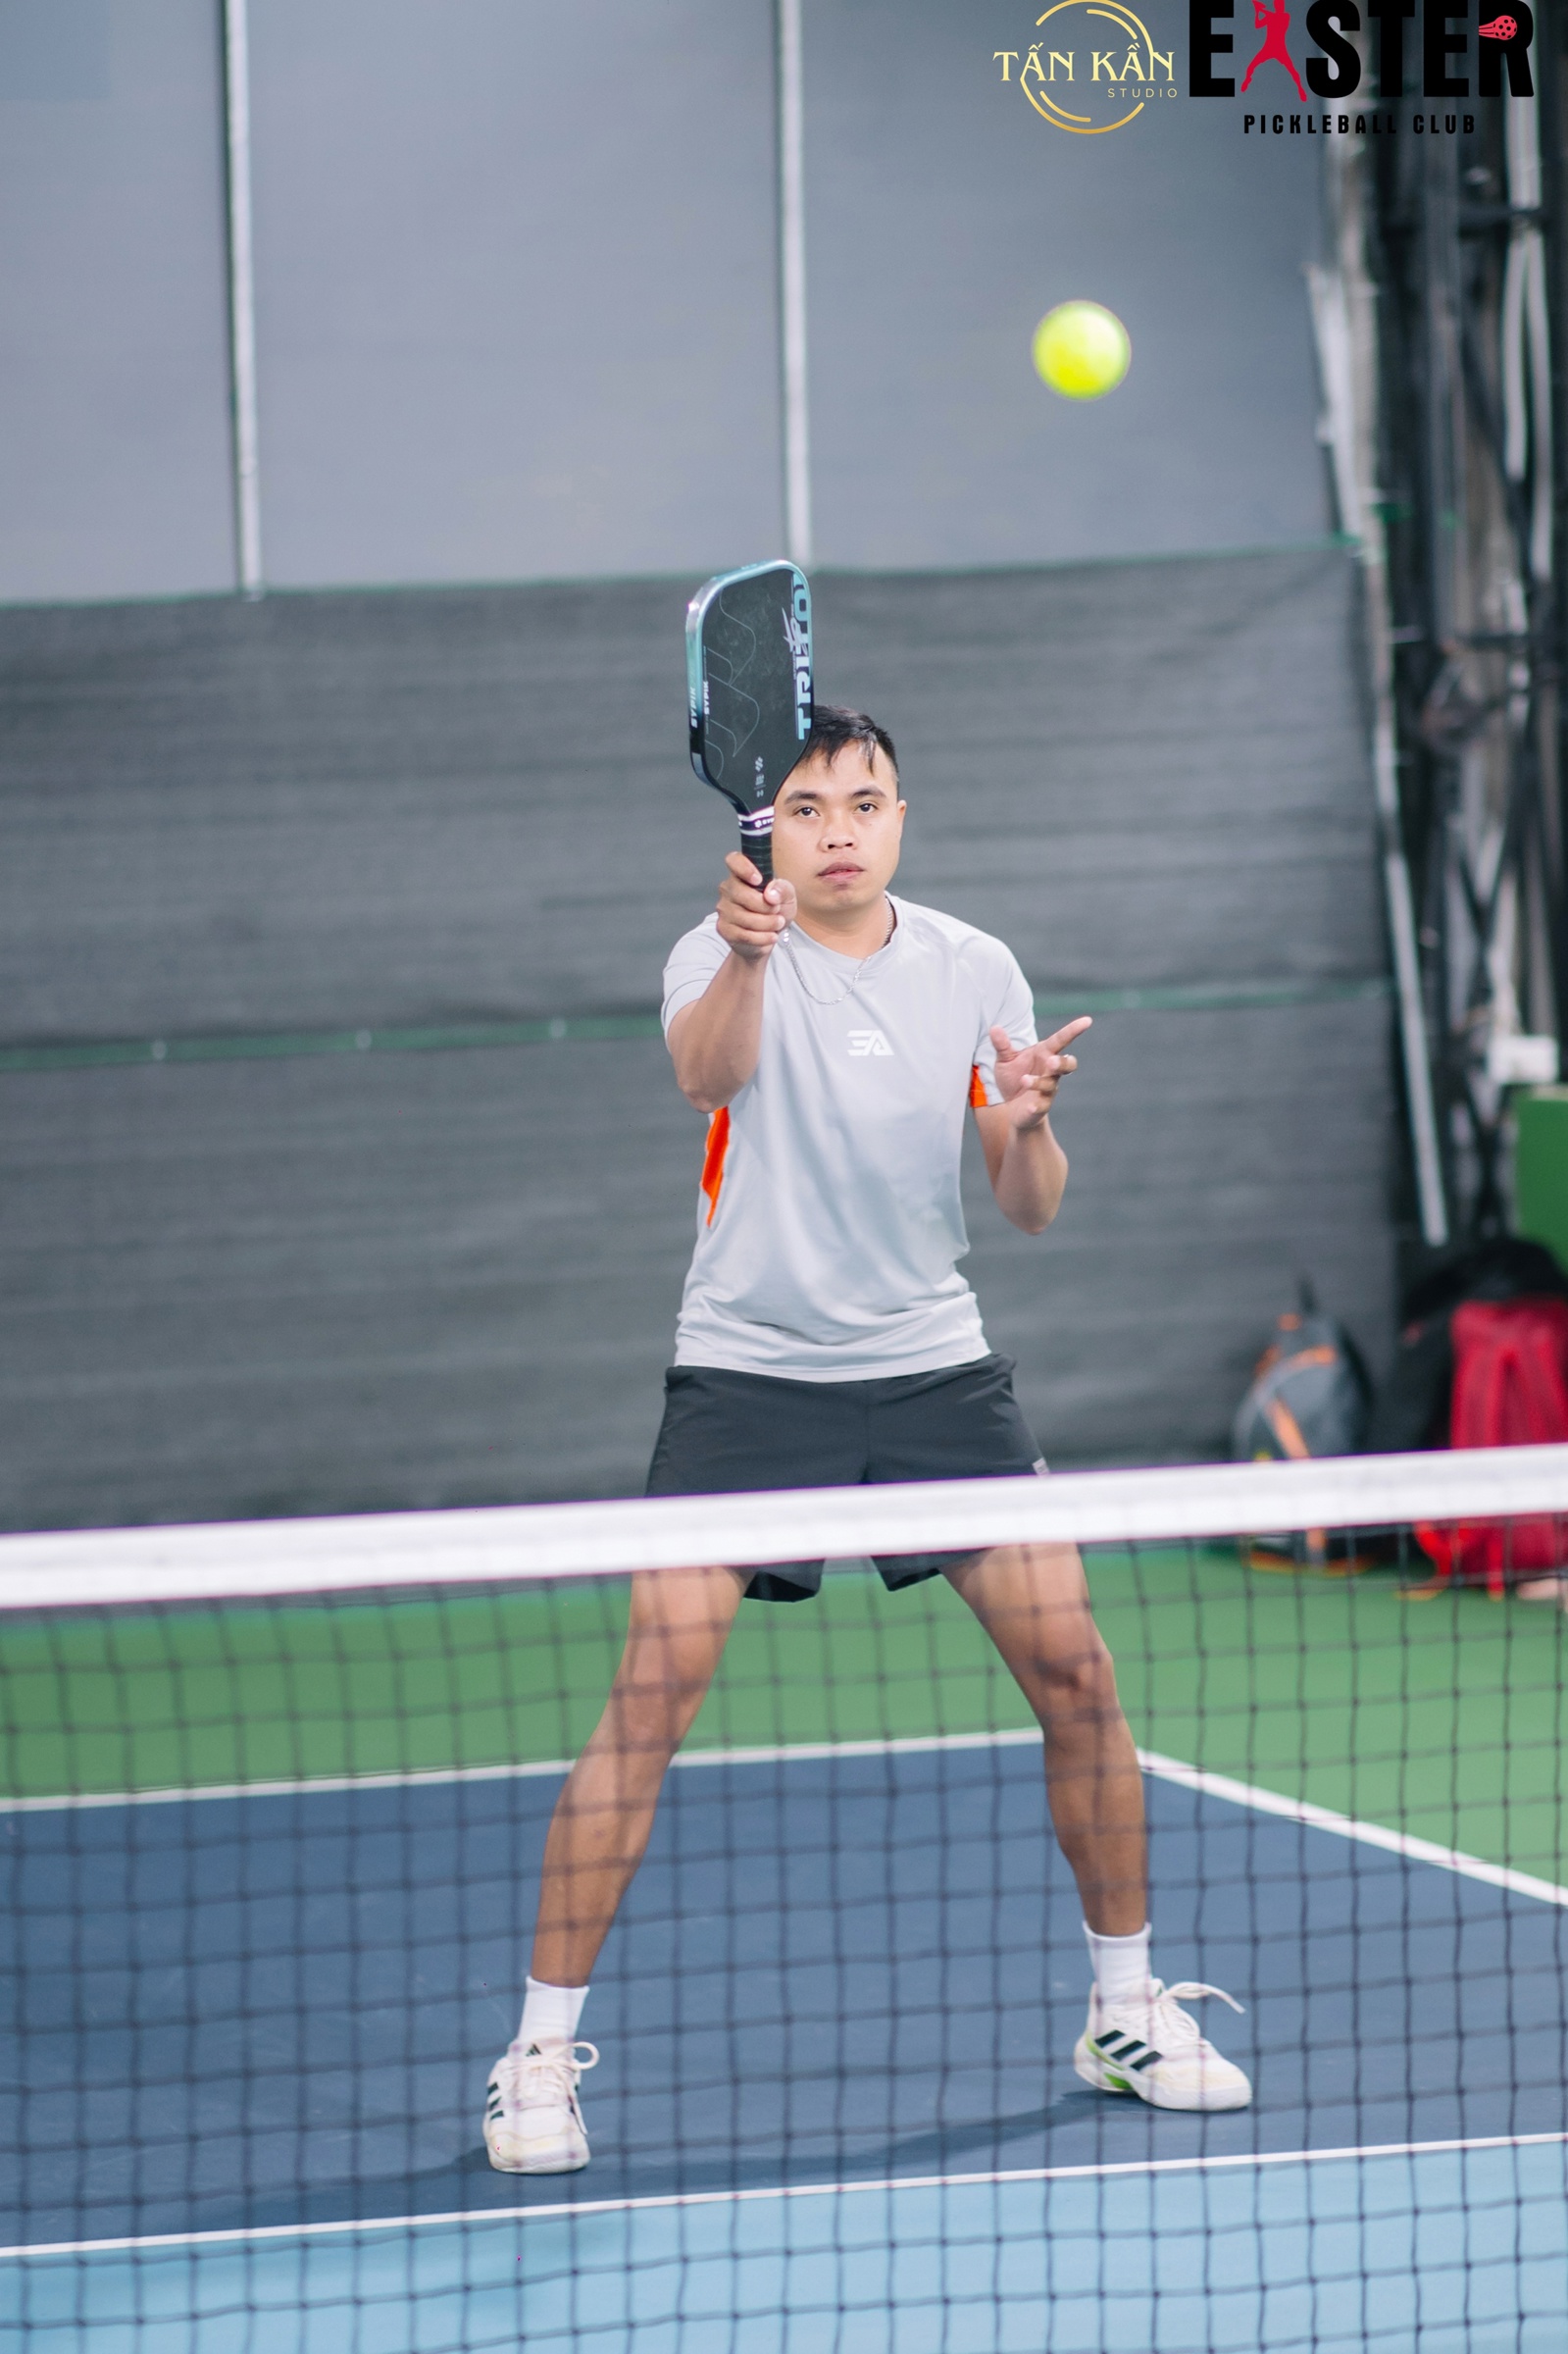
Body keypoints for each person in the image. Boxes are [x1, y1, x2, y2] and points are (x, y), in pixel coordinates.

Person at [482, 706, 1250, 2175]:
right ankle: (533, 2056)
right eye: (808, 807)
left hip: (932, 1375)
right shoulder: (712, 953)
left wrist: (1027, 1118)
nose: (839, 829)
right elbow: (708, 1078)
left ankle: (1124, 2010)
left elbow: (1027, 1206)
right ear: (766, 829)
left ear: (902, 818)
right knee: (650, 1703)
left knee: (1081, 1677)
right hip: (748, 1378)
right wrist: (750, 955)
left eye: (866, 802)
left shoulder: (974, 967)